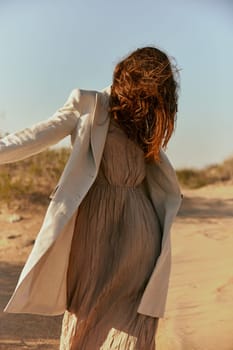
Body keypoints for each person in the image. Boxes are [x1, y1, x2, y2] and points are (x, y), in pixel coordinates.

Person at [0, 46, 182, 349]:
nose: (147, 102)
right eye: (146, 92)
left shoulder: (143, 119)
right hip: (93, 229)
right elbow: (36, 135)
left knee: (133, 325)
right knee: (86, 312)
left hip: (140, 231)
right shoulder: (89, 105)